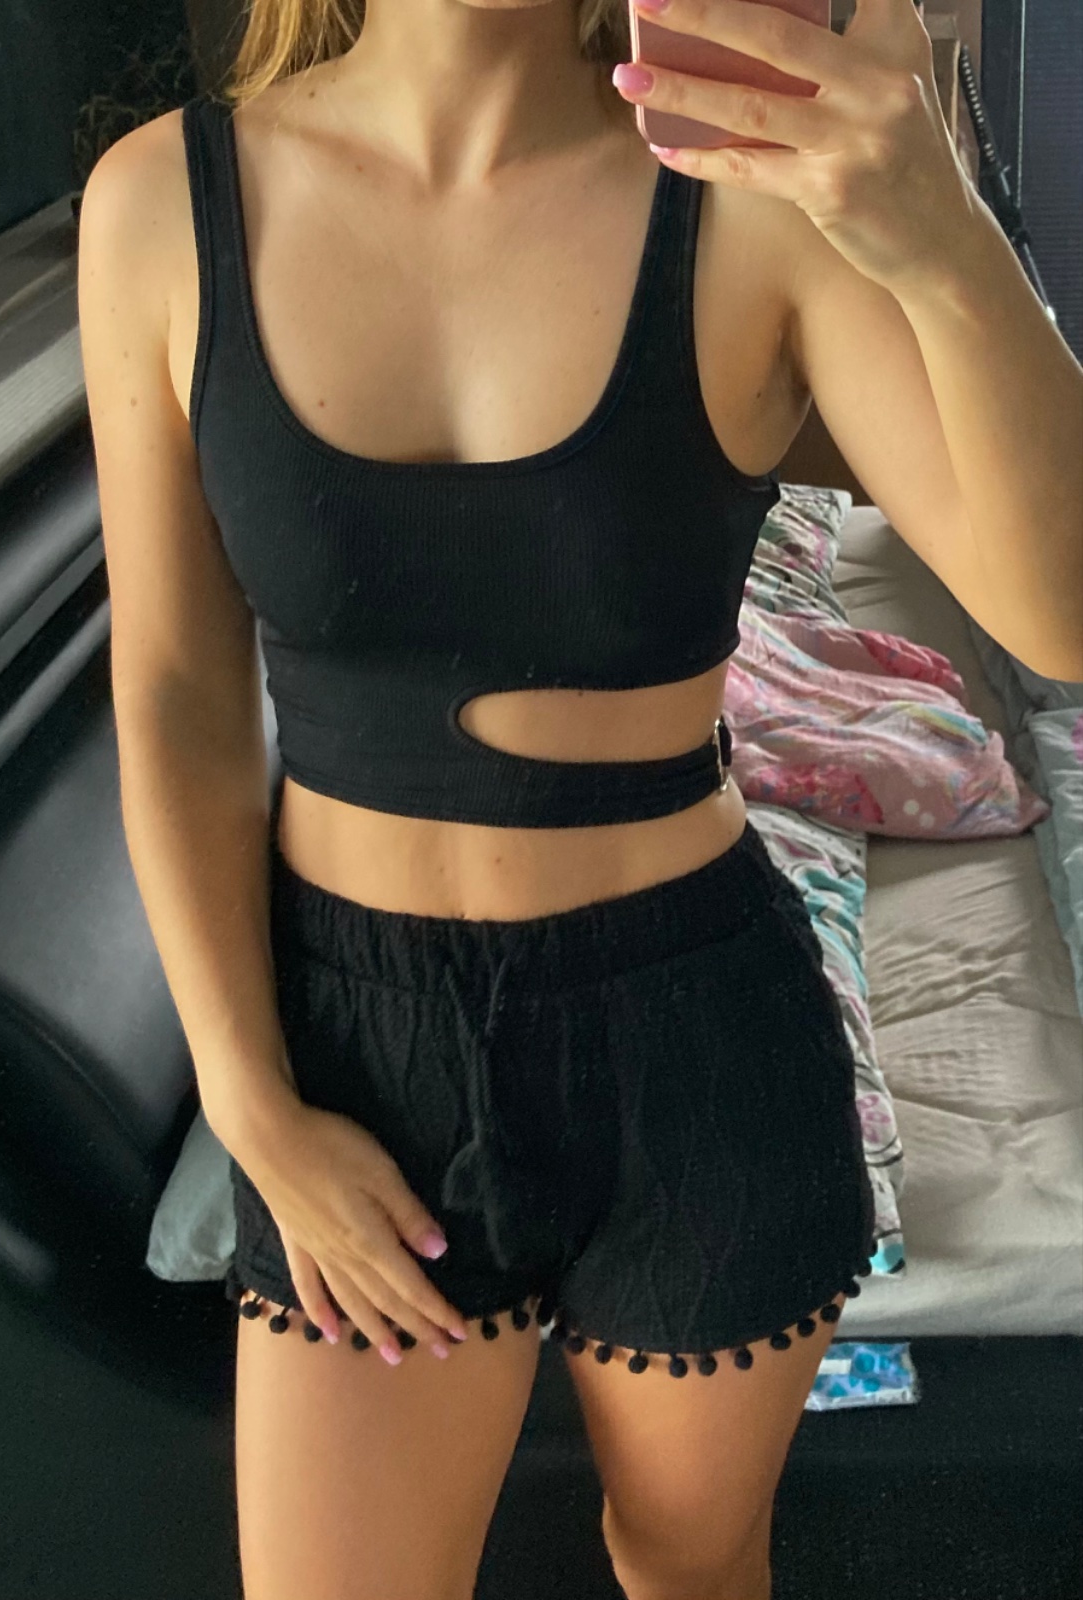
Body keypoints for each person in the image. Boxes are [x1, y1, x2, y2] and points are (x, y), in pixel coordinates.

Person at [76, 1, 1083, 1595]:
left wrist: (944, 238)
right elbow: (180, 698)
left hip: (701, 1045)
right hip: (356, 1051)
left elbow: (1061, 621)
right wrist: (248, 1100)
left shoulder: (749, 196)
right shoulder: (159, 204)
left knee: (688, 1570)